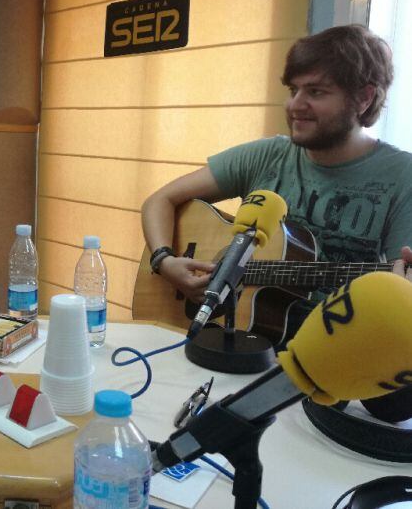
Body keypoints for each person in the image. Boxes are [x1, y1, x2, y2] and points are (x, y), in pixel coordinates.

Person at [142, 24, 412, 421]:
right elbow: (160, 201)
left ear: (364, 97)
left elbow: (400, 285)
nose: (295, 105)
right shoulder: (268, 156)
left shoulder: (401, 176)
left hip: (325, 373)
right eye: (293, 90)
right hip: (235, 356)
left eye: (315, 92)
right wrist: (165, 261)